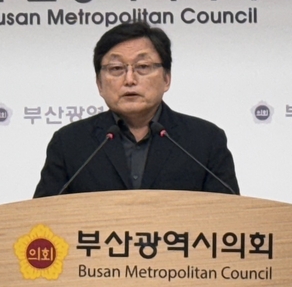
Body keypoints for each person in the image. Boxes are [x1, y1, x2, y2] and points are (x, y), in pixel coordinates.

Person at [33, 23, 239, 197]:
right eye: (116, 69)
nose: (130, 80)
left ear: (167, 79)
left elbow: (231, 218)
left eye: (143, 67)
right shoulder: (70, 143)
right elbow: (41, 218)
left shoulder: (205, 140)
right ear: (99, 84)